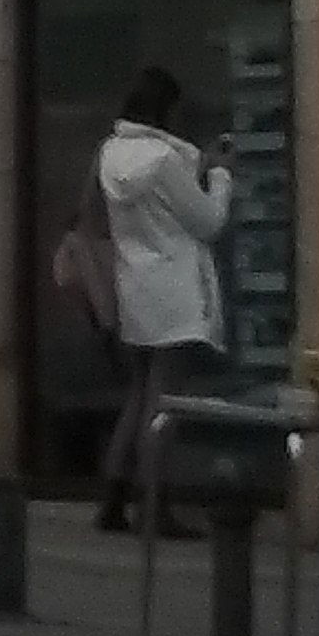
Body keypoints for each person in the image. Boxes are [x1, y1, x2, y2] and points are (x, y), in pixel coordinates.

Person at [95, 63, 233, 533]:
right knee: (163, 402)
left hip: (134, 283)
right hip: (173, 290)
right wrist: (220, 177)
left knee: (137, 393)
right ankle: (155, 503)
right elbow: (208, 222)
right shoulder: (163, 162)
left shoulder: (112, 154)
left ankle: (112, 496)